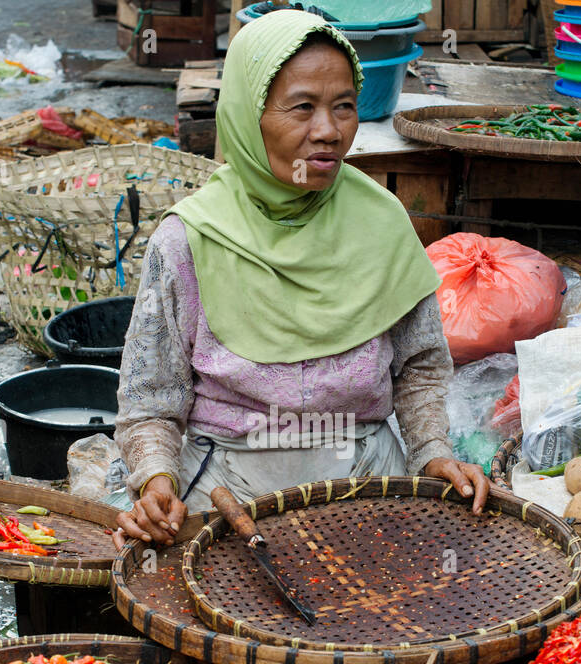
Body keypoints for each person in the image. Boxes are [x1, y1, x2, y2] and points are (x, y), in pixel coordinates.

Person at [113, 10, 487, 549]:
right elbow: (150, 399)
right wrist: (156, 482)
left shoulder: (380, 221)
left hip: (368, 478)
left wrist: (432, 451)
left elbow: (421, 365)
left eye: (344, 107)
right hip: (226, 489)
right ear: (248, 115)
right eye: (302, 107)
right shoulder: (188, 240)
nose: (329, 131)